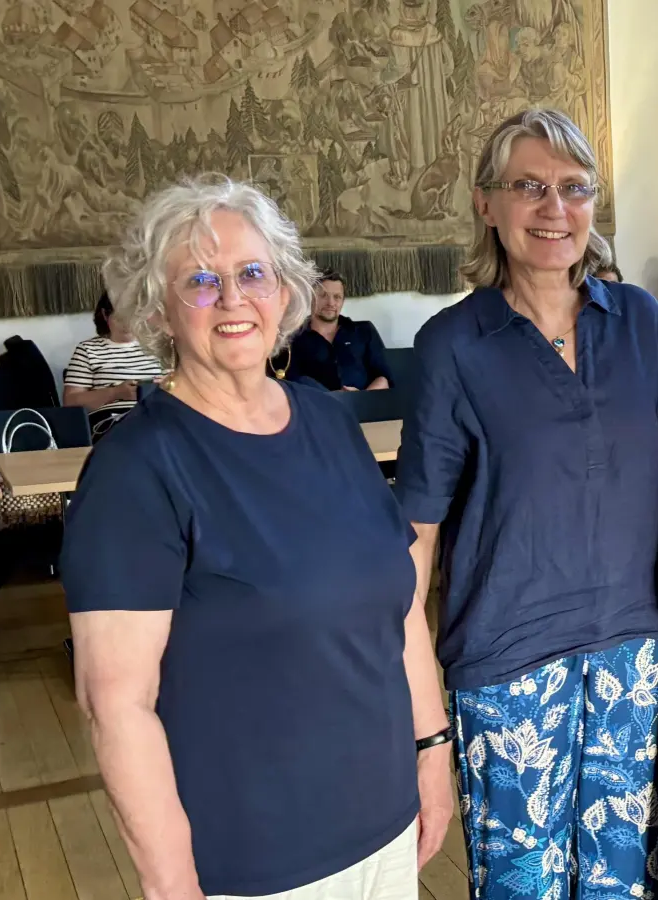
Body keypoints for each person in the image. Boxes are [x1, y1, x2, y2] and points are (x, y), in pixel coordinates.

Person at [61, 175, 451, 900]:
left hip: (386, 829)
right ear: (160, 309)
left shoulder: (330, 423)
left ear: (284, 291)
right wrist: (171, 881)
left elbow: (399, 608)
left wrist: (432, 751)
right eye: (201, 281)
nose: (233, 299)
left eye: (251, 274)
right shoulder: (135, 469)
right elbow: (116, 705)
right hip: (255, 865)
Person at [396, 108, 658, 899]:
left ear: (594, 205)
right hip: (507, 660)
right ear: (485, 203)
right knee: (522, 887)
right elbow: (417, 532)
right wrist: (416, 697)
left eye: (572, 188)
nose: (553, 209)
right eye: (527, 187)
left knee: (624, 883)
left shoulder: (636, 321)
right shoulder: (453, 344)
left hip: (632, 642)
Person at [63, 291, 164, 439]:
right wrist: (116, 393)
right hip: (110, 424)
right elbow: (70, 403)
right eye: (120, 317)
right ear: (105, 315)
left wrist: (162, 387)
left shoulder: (158, 347)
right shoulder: (87, 350)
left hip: (157, 419)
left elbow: (180, 388)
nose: (127, 324)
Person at [288, 269, 394, 391]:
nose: (331, 303)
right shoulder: (293, 337)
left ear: (343, 301)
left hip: (362, 407)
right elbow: (290, 385)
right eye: (323, 295)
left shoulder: (364, 331)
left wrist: (359, 398)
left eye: (337, 297)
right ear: (310, 298)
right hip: (315, 408)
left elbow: (384, 377)